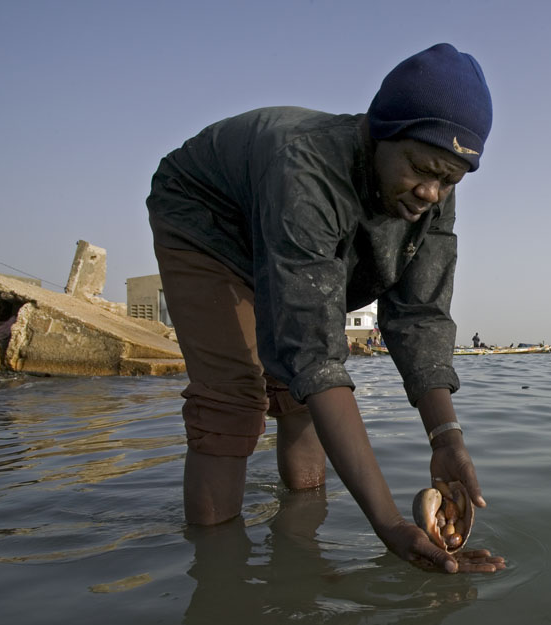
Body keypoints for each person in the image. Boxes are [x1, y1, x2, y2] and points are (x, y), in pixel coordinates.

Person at [145, 43, 504, 574]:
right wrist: (387, 524)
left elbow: (419, 316)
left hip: (290, 238)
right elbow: (314, 353)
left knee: (299, 397)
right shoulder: (309, 170)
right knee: (234, 400)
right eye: (421, 169)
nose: (432, 192)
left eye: (450, 180)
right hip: (209, 223)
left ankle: (302, 550)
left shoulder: (433, 195)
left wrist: (446, 439)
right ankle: (219, 576)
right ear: (382, 129)